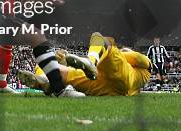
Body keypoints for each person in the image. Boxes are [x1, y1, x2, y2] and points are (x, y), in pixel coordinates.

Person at [19, 32, 152, 96]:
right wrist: (64, 59)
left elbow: (141, 60)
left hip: (118, 77)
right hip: (105, 85)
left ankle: (91, 60)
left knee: (103, 39)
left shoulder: (137, 61)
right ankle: (43, 81)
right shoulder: (141, 76)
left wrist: (122, 53)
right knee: (50, 65)